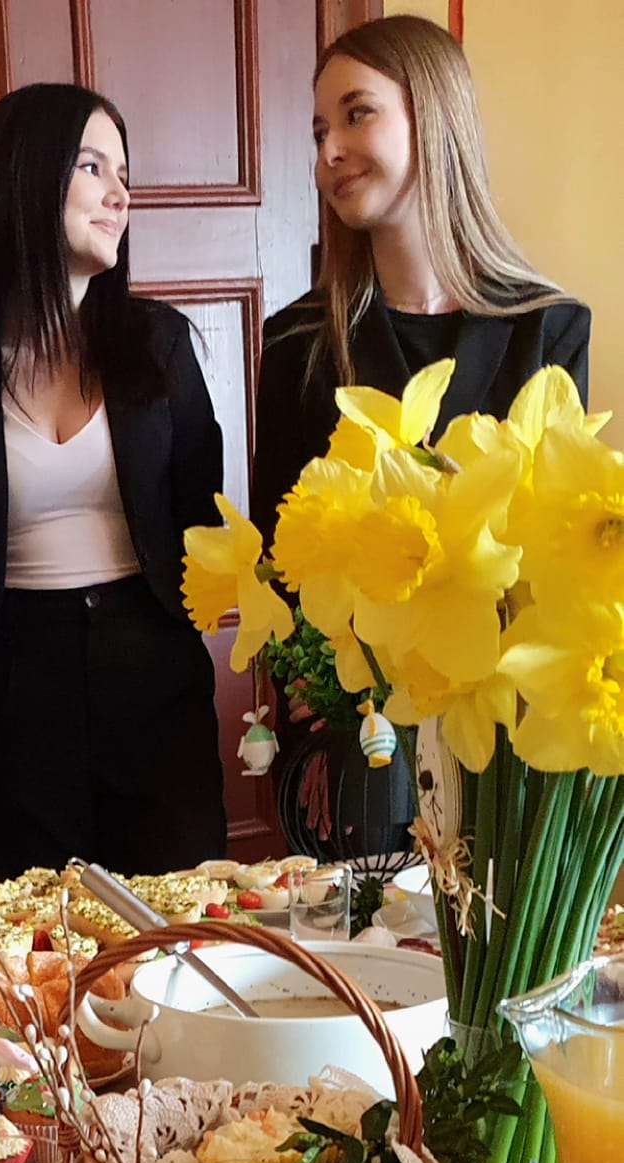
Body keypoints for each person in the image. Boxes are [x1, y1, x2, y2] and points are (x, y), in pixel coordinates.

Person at [250, 13, 591, 857]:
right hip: (358, 740)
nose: (330, 150)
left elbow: (553, 554)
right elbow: (281, 557)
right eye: (318, 131)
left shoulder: (548, 330)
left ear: (433, 119)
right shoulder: (297, 344)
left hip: (504, 736)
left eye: (356, 114)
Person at [0, 83, 227, 876]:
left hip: (152, 667)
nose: (119, 194)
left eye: (123, 173)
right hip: (12, 686)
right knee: (32, 926)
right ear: (23, 177)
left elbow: (202, 520)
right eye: (92, 167)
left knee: (181, 916)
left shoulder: (159, 345)